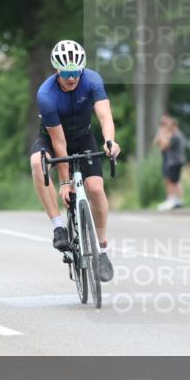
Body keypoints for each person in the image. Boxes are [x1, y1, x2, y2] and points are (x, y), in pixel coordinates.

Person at [29, 39, 121, 282]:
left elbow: (104, 115)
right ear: (57, 71)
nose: (72, 78)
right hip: (52, 139)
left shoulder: (92, 81)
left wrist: (109, 141)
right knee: (38, 163)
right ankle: (58, 225)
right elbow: (59, 144)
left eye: (76, 72)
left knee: (96, 189)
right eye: (67, 73)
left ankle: (102, 251)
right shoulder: (46, 95)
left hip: (83, 137)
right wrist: (65, 182)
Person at [155, 115, 186, 211]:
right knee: (175, 181)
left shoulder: (176, 136)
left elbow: (164, 145)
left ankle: (173, 200)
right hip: (175, 161)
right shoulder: (177, 135)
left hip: (174, 161)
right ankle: (176, 200)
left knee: (173, 182)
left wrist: (162, 132)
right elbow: (157, 142)